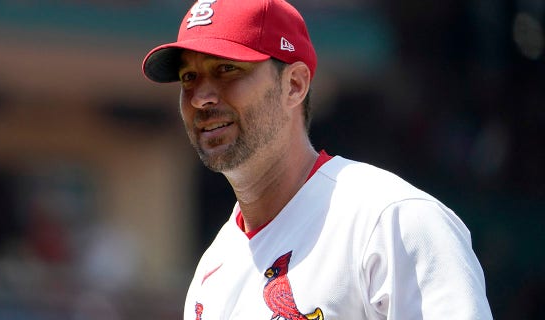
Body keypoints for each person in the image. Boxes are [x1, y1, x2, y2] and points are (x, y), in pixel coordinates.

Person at [142, 0, 493, 319]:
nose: (201, 96)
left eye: (227, 70)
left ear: (294, 85)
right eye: (189, 77)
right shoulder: (212, 269)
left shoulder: (391, 220)